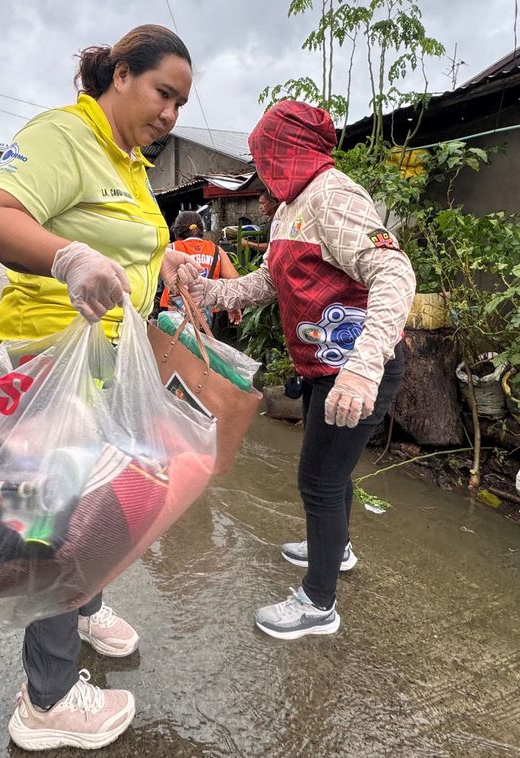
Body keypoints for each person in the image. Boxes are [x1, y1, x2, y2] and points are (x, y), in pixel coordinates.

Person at [0, 24, 201, 752]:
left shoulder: (130, 161)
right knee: (42, 531)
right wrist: (67, 257)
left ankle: (82, 607)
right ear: (121, 75)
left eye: (181, 104)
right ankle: (44, 701)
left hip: (100, 365)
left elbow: (130, 247)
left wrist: (162, 271)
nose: (170, 114)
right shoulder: (62, 136)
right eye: (163, 93)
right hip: (45, 369)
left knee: (102, 508)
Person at [188, 101, 416, 641]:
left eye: (264, 153)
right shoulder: (293, 205)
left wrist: (362, 368)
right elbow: (267, 282)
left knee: (317, 480)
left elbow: (395, 271)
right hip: (322, 367)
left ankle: (318, 605)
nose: (261, 167)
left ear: (286, 149)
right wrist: (208, 291)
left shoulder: (333, 196)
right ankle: (332, 551)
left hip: (358, 370)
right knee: (329, 475)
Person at [159, 210, 240, 324]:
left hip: (174, 309)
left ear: (177, 231)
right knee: (204, 341)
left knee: (175, 341)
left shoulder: (170, 249)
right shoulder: (217, 250)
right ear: (201, 230)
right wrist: (231, 305)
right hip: (205, 311)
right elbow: (234, 280)